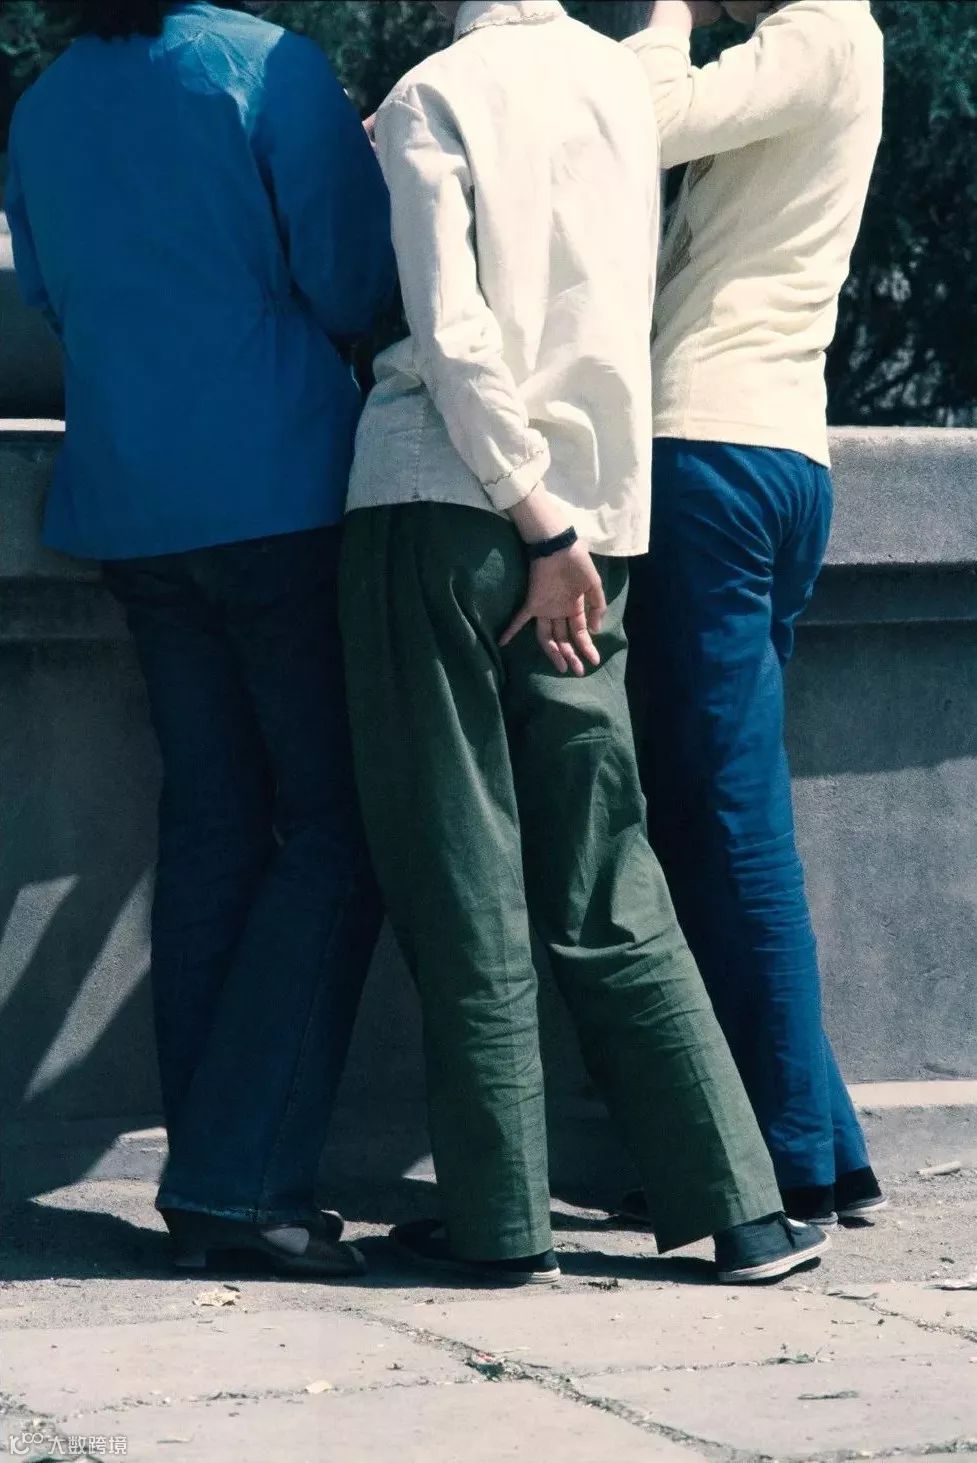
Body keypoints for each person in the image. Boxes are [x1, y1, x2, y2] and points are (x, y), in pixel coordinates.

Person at [339, 0, 829, 1287]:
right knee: (607, 866)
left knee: (460, 869)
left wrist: (530, 515)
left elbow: (452, 335)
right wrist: (573, 534)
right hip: (596, 537)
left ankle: (501, 1223)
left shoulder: (433, 93)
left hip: (443, 507)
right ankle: (742, 1208)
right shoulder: (623, 91)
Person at [5, 0, 395, 1275]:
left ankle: (212, 1170)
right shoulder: (267, 65)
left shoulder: (43, 104)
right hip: (279, 490)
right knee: (339, 825)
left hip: (131, 503)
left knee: (214, 822)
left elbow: (50, 296)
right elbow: (352, 280)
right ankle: (239, 1172)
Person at [620, 0, 886, 1228]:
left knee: (726, 821)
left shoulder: (817, 32)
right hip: (771, 452)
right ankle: (824, 1141)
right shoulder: (826, 45)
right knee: (719, 810)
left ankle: (783, 1164)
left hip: (710, 450)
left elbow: (643, 115)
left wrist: (665, 16)